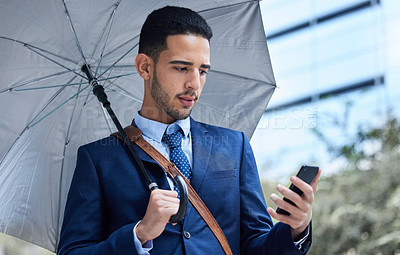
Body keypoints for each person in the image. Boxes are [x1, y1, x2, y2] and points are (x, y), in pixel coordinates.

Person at [57, 6, 321, 255]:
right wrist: (139, 234)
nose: (194, 84)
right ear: (145, 67)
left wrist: (295, 228)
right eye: (182, 68)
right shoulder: (98, 159)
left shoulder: (234, 146)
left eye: (203, 71)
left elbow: (256, 244)